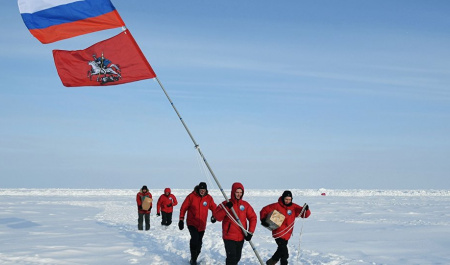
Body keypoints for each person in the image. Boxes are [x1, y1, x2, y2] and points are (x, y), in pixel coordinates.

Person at [260, 190, 311, 265]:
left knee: (281, 251)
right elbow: (264, 210)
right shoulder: (276, 205)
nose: (287, 201)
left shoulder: (294, 207)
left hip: (287, 234)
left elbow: (304, 214)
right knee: (285, 253)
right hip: (278, 233)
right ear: (283, 198)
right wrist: (263, 219)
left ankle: (271, 262)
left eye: (289, 199)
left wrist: (306, 209)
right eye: (286, 199)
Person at [213, 182, 257, 265]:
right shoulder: (225, 203)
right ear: (233, 192)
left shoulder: (245, 205)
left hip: (241, 236)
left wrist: (250, 232)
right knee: (231, 257)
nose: (239, 194)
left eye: (241, 193)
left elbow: (253, 218)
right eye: (237, 192)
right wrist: (227, 208)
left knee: (237, 257)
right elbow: (217, 217)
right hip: (229, 236)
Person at [179, 182, 217, 265]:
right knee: (195, 238)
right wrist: (181, 220)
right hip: (191, 222)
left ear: (206, 190)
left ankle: (195, 257)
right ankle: (193, 259)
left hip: (202, 224)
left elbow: (215, 208)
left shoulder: (209, 198)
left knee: (199, 242)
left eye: (204, 190)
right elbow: (183, 208)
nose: (202, 191)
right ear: (198, 189)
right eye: (201, 190)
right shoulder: (191, 196)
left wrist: (214, 217)